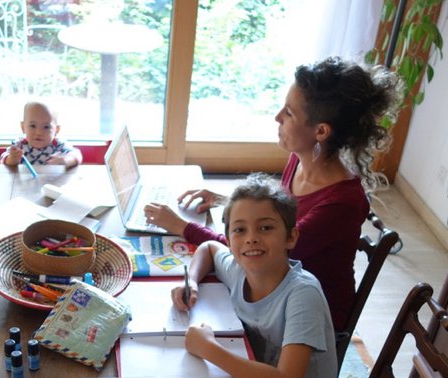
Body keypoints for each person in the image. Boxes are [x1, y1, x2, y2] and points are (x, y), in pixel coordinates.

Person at [148, 56, 402, 332]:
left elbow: (254, 248)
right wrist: (226, 201)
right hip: (273, 286)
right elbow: (277, 217)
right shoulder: (300, 160)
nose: (277, 117)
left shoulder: (342, 203)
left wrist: (181, 226)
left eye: (289, 113)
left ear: (321, 131)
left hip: (307, 320)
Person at [173, 174, 337, 378]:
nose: (251, 239)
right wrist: (191, 280)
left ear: (291, 237)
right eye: (240, 230)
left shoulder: (303, 295)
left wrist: (209, 348)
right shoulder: (241, 270)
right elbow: (208, 248)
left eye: (265, 228)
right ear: (230, 238)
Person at [1, 100, 83, 168]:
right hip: (24, 182)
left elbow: (77, 155)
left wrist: (65, 160)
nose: (39, 132)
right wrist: (11, 159)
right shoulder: (19, 145)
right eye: (33, 126)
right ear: (23, 127)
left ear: (56, 130)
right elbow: (2, 158)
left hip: (52, 182)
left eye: (46, 127)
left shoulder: (58, 145)